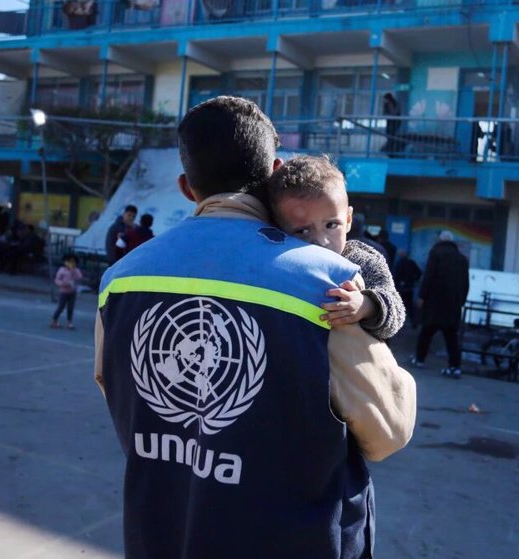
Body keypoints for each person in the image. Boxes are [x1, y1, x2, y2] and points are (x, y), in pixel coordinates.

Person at [94, 96, 415, 558]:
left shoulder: (120, 280)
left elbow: (125, 399)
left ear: (186, 187)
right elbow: (390, 429)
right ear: (273, 173)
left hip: (163, 537)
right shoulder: (327, 283)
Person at [268, 154, 405, 341]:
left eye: (331, 225)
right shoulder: (278, 262)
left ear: (348, 219)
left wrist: (366, 305)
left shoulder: (363, 260)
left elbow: (396, 313)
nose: (321, 240)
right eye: (303, 230)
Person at [411, 230, 470, 378]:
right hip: (453, 305)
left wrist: (422, 296)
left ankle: (419, 360)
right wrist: (461, 300)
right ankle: (455, 367)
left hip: (435, 303)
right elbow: (465, 283)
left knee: (426, 332)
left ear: (439, 240)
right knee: (451, 337)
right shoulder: (462, 259)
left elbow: (429, 276)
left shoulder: (436, 253)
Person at [51, 253, 83, 330]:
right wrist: (64, 284)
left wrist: (73, 270)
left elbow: (79, 277)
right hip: (63, 292)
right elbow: (57, 280)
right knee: (61, 307)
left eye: (73, 262)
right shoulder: (62, 270)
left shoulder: (76, 270)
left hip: (72, 292)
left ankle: (69, 322)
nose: (71, 264)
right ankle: (54, 320)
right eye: (69, 262)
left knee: (70, 307)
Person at [393, 249, 422, 329]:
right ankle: (414, 323)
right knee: (409, 306)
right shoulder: (411, 262)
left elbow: (396, 277)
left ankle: (396, 324)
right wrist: (413, 280)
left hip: (401, 289)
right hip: (409, 288)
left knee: (398, 306)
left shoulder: (399, 264)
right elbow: (419, 273)